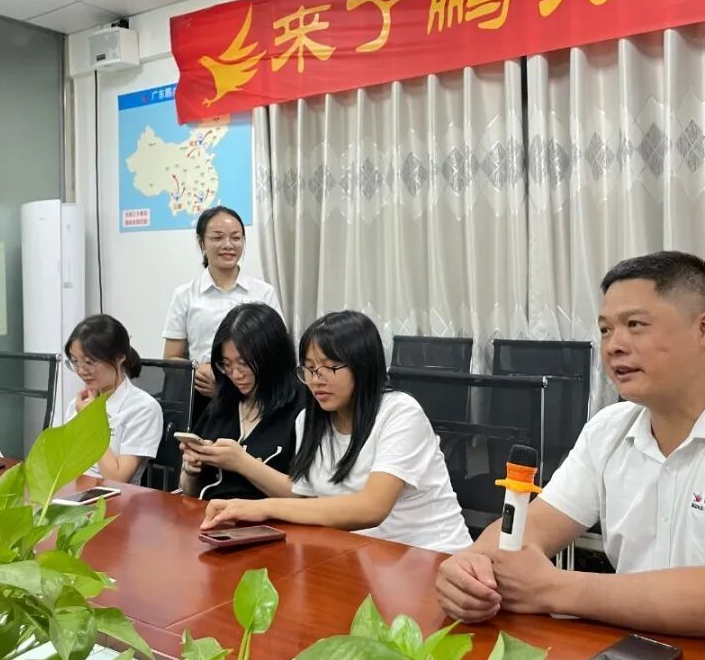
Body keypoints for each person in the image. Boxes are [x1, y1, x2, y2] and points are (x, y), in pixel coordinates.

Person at [436, 251, 705, 639]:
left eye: (635, 324)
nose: (614, 345)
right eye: (605, 329)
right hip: (638, 652)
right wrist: (471, 566)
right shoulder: (609, 430)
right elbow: (532, 527)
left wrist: (551, 588)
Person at [201, 310, 472, 554]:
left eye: (329, 367)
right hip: (358, 556)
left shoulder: (400, 413)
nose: (316, 380)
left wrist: (261, 507)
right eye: (309, 369)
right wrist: (239, 506)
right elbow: (305, 497)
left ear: (362, 367)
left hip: (429, 556)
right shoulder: (309, 420)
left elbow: (371, 508)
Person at [162, 206, 282, 425]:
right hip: (203, 400)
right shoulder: (185, 295)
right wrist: (198, 370)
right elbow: (171, 359)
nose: (228, 245)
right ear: (202, 243)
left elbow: (277, 352)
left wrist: (236, 379)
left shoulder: (263, 292)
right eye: (218, 237)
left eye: (236, 238)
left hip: (254, 396)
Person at [178, 303, 305, 500]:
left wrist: (242, 463)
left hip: (267, 518)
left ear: (272, 356)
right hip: (211, 513)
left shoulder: (301, 407)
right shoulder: (222, 404)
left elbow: (304, 498)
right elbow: (189, 491)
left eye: (243, 363)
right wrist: (190, 470)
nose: (235, 374)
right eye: (226, 364)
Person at [64, 314, 163, 483]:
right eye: (75, 362)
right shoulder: (78, 404)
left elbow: (117, 478)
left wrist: (91, 421)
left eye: (89, 362)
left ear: (119, 358)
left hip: (112, 496)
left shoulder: (143, 409)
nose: (81, 371)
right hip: (70, 490)